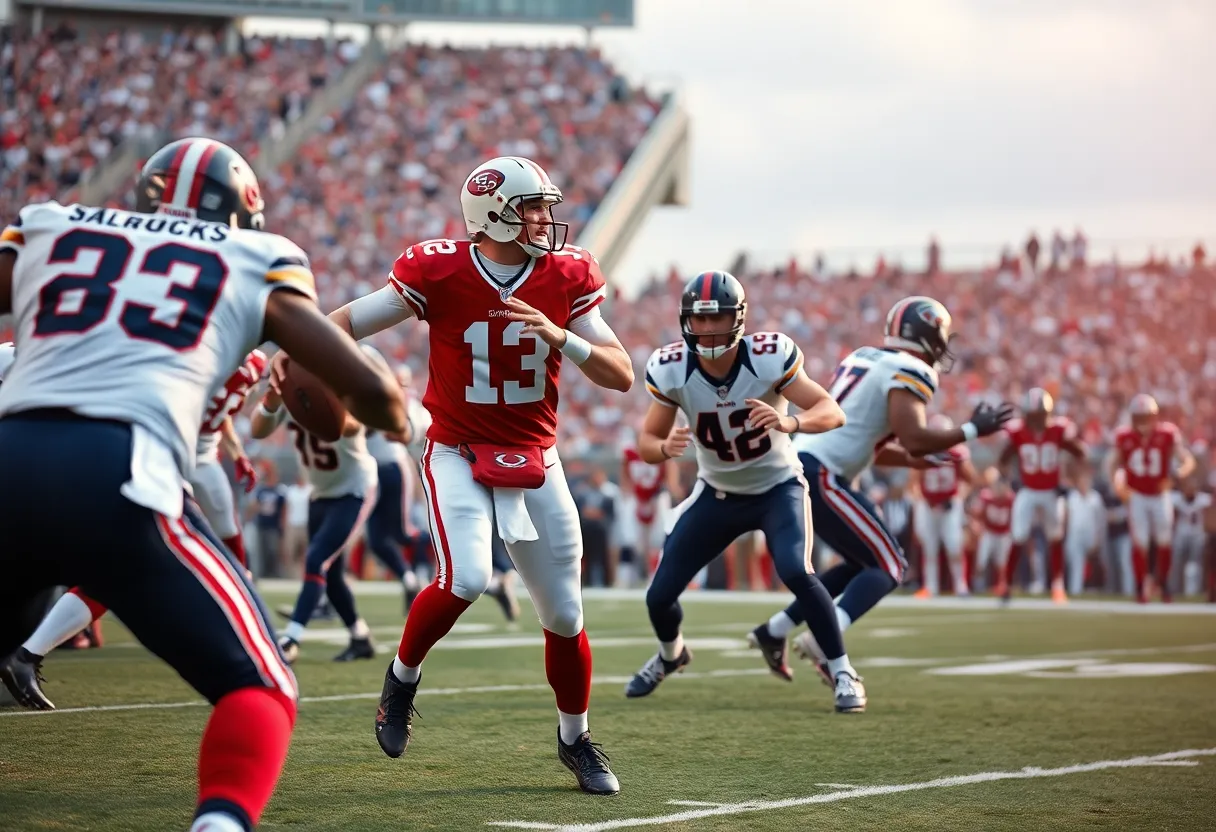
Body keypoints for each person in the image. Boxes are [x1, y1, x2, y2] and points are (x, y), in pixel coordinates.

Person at [0, 137, 404, 832]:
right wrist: (392, 413)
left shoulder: (52, 222)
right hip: (119, 469)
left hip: (11, 454)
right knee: (262, 687)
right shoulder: (256, 255)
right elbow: (367, 390)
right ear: (242, 211)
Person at [315, 156, 634, 794]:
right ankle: (401, 681)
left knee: (566, 615)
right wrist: (302, 360)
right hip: (458, 449)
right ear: (495, 215)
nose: (546, 218)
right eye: (533, 207)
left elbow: (620, 372)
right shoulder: (438, 268)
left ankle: (576, 740)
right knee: (465, 575)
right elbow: (345, 322)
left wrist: (559, 336)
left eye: (546, 205)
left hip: (537, 456)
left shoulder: (566, 274)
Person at [750, 297, 1012, 685]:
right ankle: (826, 638)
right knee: (891, 565)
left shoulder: (865, 357)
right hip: (821, 474)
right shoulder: (910, 368)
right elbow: (915, 437)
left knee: (861, 563)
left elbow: (863, 439)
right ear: (927, 336)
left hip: (802, 465)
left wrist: (911, 461)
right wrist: (971, 430)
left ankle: (775, 629)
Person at [625, 271, 857, 708]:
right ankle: (671, 655)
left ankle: (844, 671)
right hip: (717, 493)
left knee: (796, 572)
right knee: (658, 596)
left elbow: (831, 410)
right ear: (686, 321)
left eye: (719, 319)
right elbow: (646, 444)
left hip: (777, 487)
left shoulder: (768, 357)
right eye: (700, 320)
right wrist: (664, 445)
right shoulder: (672, 368)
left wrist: (790, 421)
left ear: (739, 318)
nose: (708, 329)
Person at [3, 352, 268, 706]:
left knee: (122, 564)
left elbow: (221, 416)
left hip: (179, 458)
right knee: (113, 563)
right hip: (148, 456)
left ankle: (27, 654)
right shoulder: (199, 343)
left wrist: (236, 452)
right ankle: (27, 654)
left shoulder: (245, 357)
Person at [250, 362, 380, 663]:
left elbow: (350, 425)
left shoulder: (339, 389)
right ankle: (360, 638)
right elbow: (258, 429)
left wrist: (320, 398)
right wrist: (272, 403)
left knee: (317, 559)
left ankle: (292, 638)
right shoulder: (293, 391)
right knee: (330, 573)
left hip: (355, 490)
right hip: (319, 492)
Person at [997, 389, 1086, 603]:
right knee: (1018, 536)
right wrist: (1009, 480)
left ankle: (1057, 584)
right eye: (1033, 416)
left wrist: (1069, 481)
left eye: (1040, 415)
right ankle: (1006, 584)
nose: (1037, 421)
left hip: (1051, 490)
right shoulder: (1018, 433)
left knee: (1055, 537)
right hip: (1028, 490)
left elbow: (1080, 454)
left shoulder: (1058, 430)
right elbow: (1003, 460)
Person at [1106, 394, 1195, 602]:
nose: (1142, 422)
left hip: (1160, 494)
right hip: (1137, 495)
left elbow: (1187, 460)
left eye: (1146, 417)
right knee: (1141, 542)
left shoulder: (1167, 434)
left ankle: (1163, 583)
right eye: (1139, 417)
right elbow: (1111, 464)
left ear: (1154, 417)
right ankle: (1141, 587)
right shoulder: (1124, 436)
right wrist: (1117, 485)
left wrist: (1177, 476)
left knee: (1164, 540)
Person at [910, 414, 978, 597]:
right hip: (929, 505)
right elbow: (914, 483)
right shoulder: (923, 453)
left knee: (954, 546)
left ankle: (961, 586)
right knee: (929, 547)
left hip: (950, 506)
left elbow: (971, 480)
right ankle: (930, 587)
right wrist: (924, 501)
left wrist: (957, 497)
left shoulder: (957, 454)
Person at [1063, 469, 1105, 596]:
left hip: (1091, 534)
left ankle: (1097, 588)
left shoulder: (1096, 498)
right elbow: (1067, 518)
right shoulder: (1072, 497)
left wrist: (1098, 538)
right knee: (1076, 563)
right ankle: (1076, 591)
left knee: (1096, 564)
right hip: (1075, 534)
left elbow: (1100, 520)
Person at [972, 473, 1014, 592]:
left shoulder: (1011, 499)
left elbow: (1014, 517)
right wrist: (976, 524)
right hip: (989, 532)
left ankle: (1001, 585)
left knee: (1002, 562)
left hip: (1004, 533)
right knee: (982, 559)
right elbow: (976, 513)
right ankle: (978, 584)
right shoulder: (986, 496)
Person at [1172, 477, 1211, 597]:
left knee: (1194, 564)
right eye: (1187, 488)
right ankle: (1175, 590)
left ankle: (1192, 592)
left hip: (1197, 534)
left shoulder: (1203, 499)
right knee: (1176, 564)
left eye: (1191, 488)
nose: (1189, 491)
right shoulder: (1176, 499)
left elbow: (1208, 513)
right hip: (1180, 534)